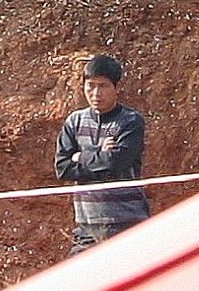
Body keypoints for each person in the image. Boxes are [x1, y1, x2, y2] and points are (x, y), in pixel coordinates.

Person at [54, 54, 149, 251]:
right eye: (91, 86)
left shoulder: (130, 121)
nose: (96, 93)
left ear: (116, 88)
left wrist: (80, 157)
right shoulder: (74, 122)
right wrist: (99, 154)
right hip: (87, 227)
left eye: (103, 86)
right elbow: (62, 168)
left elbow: (116, 163)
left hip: (127, 225)